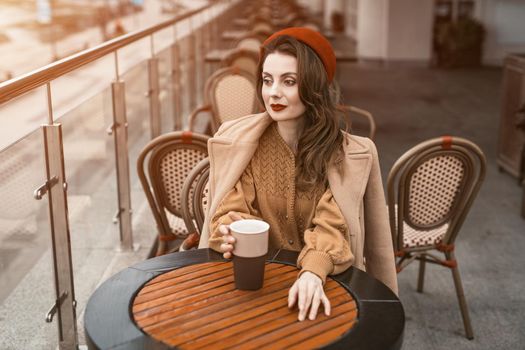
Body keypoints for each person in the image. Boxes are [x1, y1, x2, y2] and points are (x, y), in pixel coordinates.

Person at [198, 27, 398, 321]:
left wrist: (313, 273)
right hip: (256, 288)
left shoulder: (345, 153)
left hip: (327, 285)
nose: (273, 92)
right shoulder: (243, 143)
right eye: (267, 80)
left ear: (314, 86)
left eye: (289, 81)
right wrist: (230, 231)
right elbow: (231, 208)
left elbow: (334, 225)